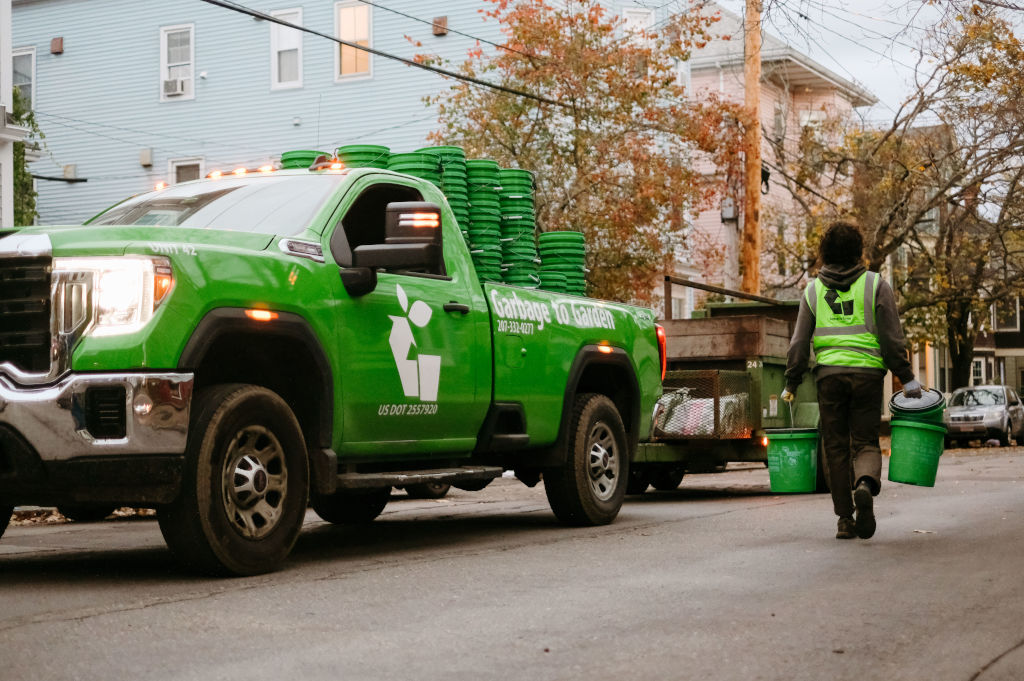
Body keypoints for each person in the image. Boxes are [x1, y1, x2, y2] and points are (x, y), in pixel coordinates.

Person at [781, 222, 921, 540]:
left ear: (825, 253)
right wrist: (907, 377)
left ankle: (845, 518)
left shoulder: (813, 290)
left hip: (829, 378)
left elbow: (799, 344)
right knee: (865, 442)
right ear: (858, 251)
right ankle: (865, 485)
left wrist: (791, 382)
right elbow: (891, 339)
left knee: (836, 447)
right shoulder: (875, 285)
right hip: (868, 377)